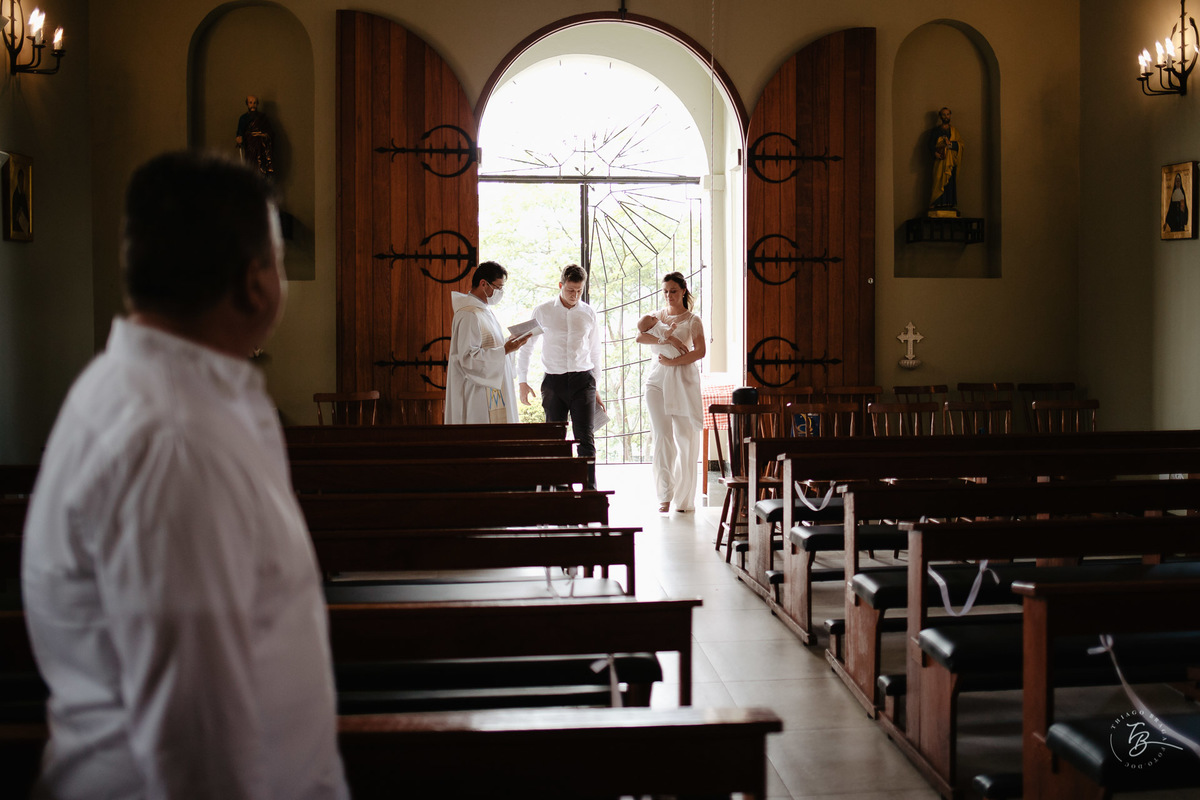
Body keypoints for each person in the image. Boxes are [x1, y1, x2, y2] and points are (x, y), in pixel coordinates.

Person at [21, 151, 348, 799]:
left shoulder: (140, 391)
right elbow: (198, 744)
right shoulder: (175, 442)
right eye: (279, 263)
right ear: (257, 283)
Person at [517, 264, 606, 489]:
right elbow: (526, 346)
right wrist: (522, 381)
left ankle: (588, 489)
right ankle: (559, 485)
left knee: (585, 437)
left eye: (579, 290)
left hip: (583, 380)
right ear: (560, 286)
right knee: (555, 439)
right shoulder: (543, 311)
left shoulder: (589, 313)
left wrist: (596, 387)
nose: (575, 295)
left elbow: (596, 351)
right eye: (570, 290)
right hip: (553, 381)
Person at [637, 272, 705, 513]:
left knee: (685, 438)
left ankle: (683, 497)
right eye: (665, 291)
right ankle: (664, 494)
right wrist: (668, 339)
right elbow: (640, 336)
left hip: (683, 380)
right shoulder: (657, 317)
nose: (668, 295)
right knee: (663, 437)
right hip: (657, 382)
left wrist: (673, 362)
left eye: (673, 291)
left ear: (683, 291)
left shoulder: (693, 320)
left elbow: (699, 352)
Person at [445, 261, 531, 424]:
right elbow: (467, 358)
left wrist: (509, 344)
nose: (500, 292)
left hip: (490, 389)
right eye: (498, 288)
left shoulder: (483, 311)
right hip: (477, 394)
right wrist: (504, 350)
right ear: (483, 284)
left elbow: (490, 346)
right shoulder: (469, 314)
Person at [928, 106, 963, 216]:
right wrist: (935, 152)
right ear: (940, 116)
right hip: (940, 161)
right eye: (944, 114)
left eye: (948, 114)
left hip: (950, 162)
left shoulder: (954, 131)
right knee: (938, 179)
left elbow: (960, 145)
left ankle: (949, 203)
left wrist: (951, 144)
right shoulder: (936, 131)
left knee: (949, 181)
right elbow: (930, 145)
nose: (946, 116)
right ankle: (936, 202)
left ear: (950, 115)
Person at [236, 94, 275, 179]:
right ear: (247, 104)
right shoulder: (243, 118)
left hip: (262, 149)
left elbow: (270, 132)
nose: (253, 105)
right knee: (250, 169)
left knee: (262, 171)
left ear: (257, 104)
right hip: (250, 149)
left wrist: (264, 136)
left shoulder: (263, 118)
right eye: (250, 103)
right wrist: (239, 137)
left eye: (254, 103)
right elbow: (240, 132)